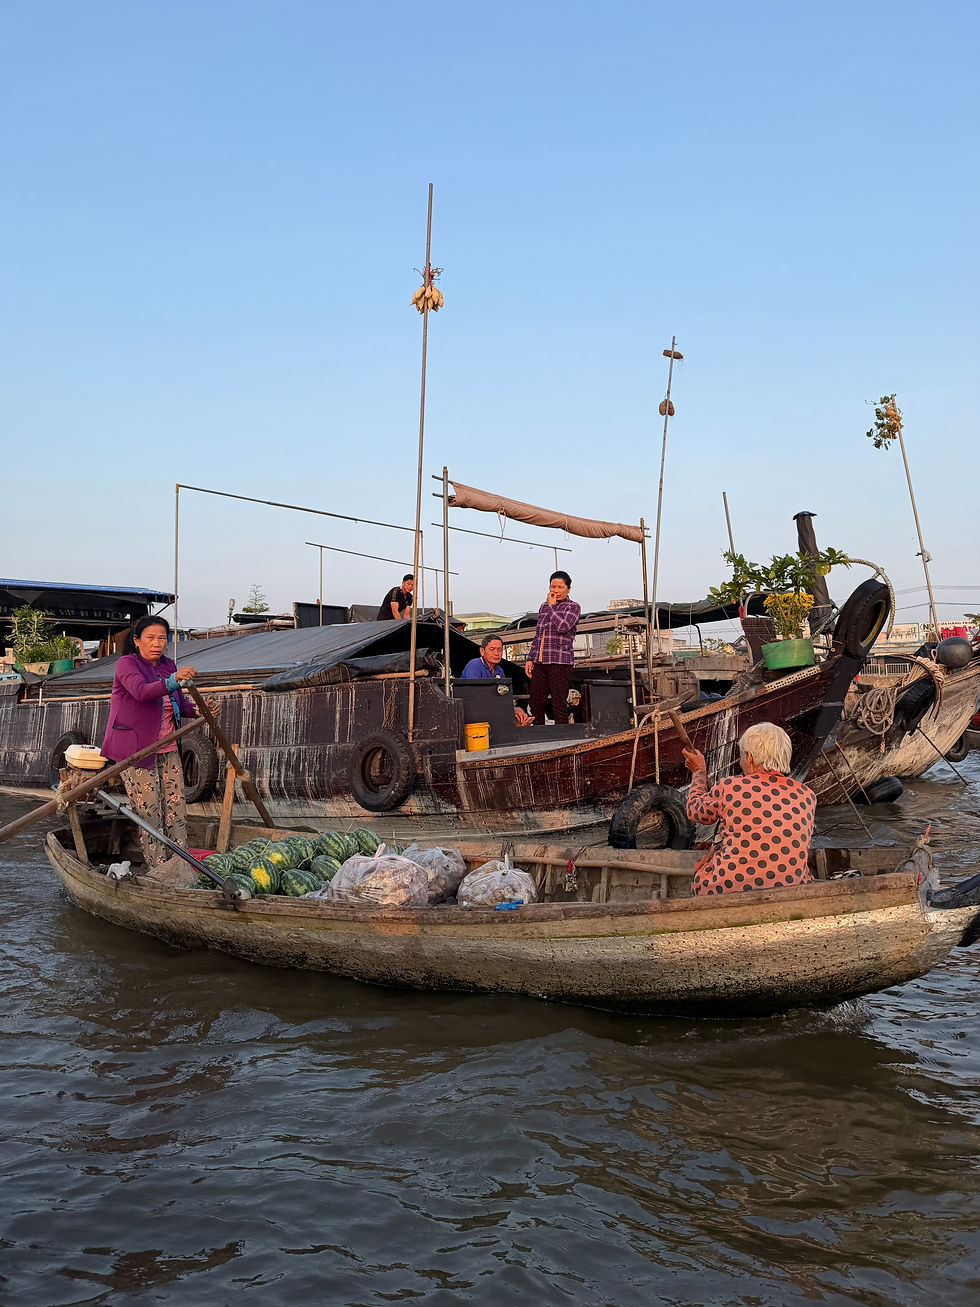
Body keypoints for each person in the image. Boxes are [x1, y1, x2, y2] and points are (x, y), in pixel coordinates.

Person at [101, 615, 198, 878]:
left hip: (167, 747)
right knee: (150, 811)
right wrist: (174, 680)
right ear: (136, 640)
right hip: (136, 750)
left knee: (176, 808)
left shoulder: (168, 665)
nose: (157, 643)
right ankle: (160, 871)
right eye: (150, 638)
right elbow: (142, 692)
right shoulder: (126, 664)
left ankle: (182, 865)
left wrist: (200, 708)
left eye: (162, 638)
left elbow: (176, 702)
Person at [682, 721, 816, 897]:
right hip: (793, 890)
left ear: (750, 758)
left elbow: (695, 810)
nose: (741, 762)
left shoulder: (731, 787)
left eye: (742, 757)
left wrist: (699, 772)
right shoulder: (807, 795)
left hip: (724, 888)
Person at [524, 571, 581, 725]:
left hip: (560, 661)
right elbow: (538, 635)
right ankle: (541, 733)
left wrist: (552, 607)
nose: (555, 590)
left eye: (560, 587)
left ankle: (562, 736)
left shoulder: (573, 607)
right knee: (535, 702)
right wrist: (530, 658)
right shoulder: (543, 607)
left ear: (568, 589)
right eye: (552, 586)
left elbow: (563, 627)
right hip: (541, 661)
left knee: (558, 704)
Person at [460, 636, 533, 726]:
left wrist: (514, 708)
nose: (496, 653)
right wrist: (509, 709)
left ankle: (521, 723)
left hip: (491, 709)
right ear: (482, 651)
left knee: (518, 713)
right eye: (492, 649)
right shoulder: (474, 665)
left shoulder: (499, 670)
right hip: (473, 712)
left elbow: (502, 696)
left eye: (499, 649)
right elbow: (476, 697)